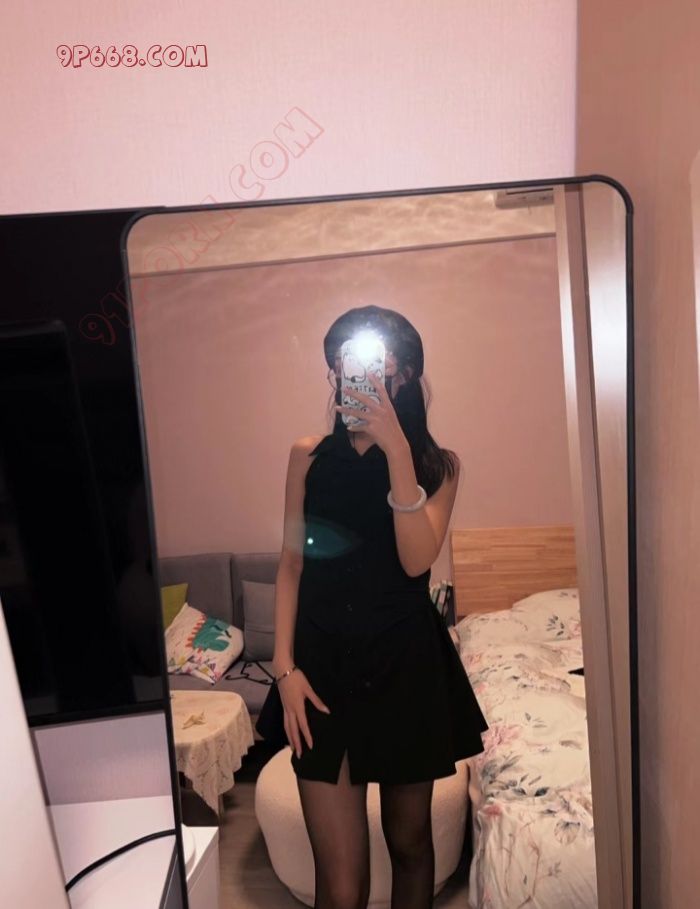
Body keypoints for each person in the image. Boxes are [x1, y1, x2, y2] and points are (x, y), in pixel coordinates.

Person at [255, 305, 488, 909]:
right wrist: (284, 669)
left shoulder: (437, 465)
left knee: (410, 846)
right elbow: (291, 565)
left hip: (405, 666)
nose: (349, 371)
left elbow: (416, 562)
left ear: (404, 375)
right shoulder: (307, 456)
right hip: (320, 669)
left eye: (373, 362)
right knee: (340, 881)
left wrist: (397, 452)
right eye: (342, 360)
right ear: (334, 371)